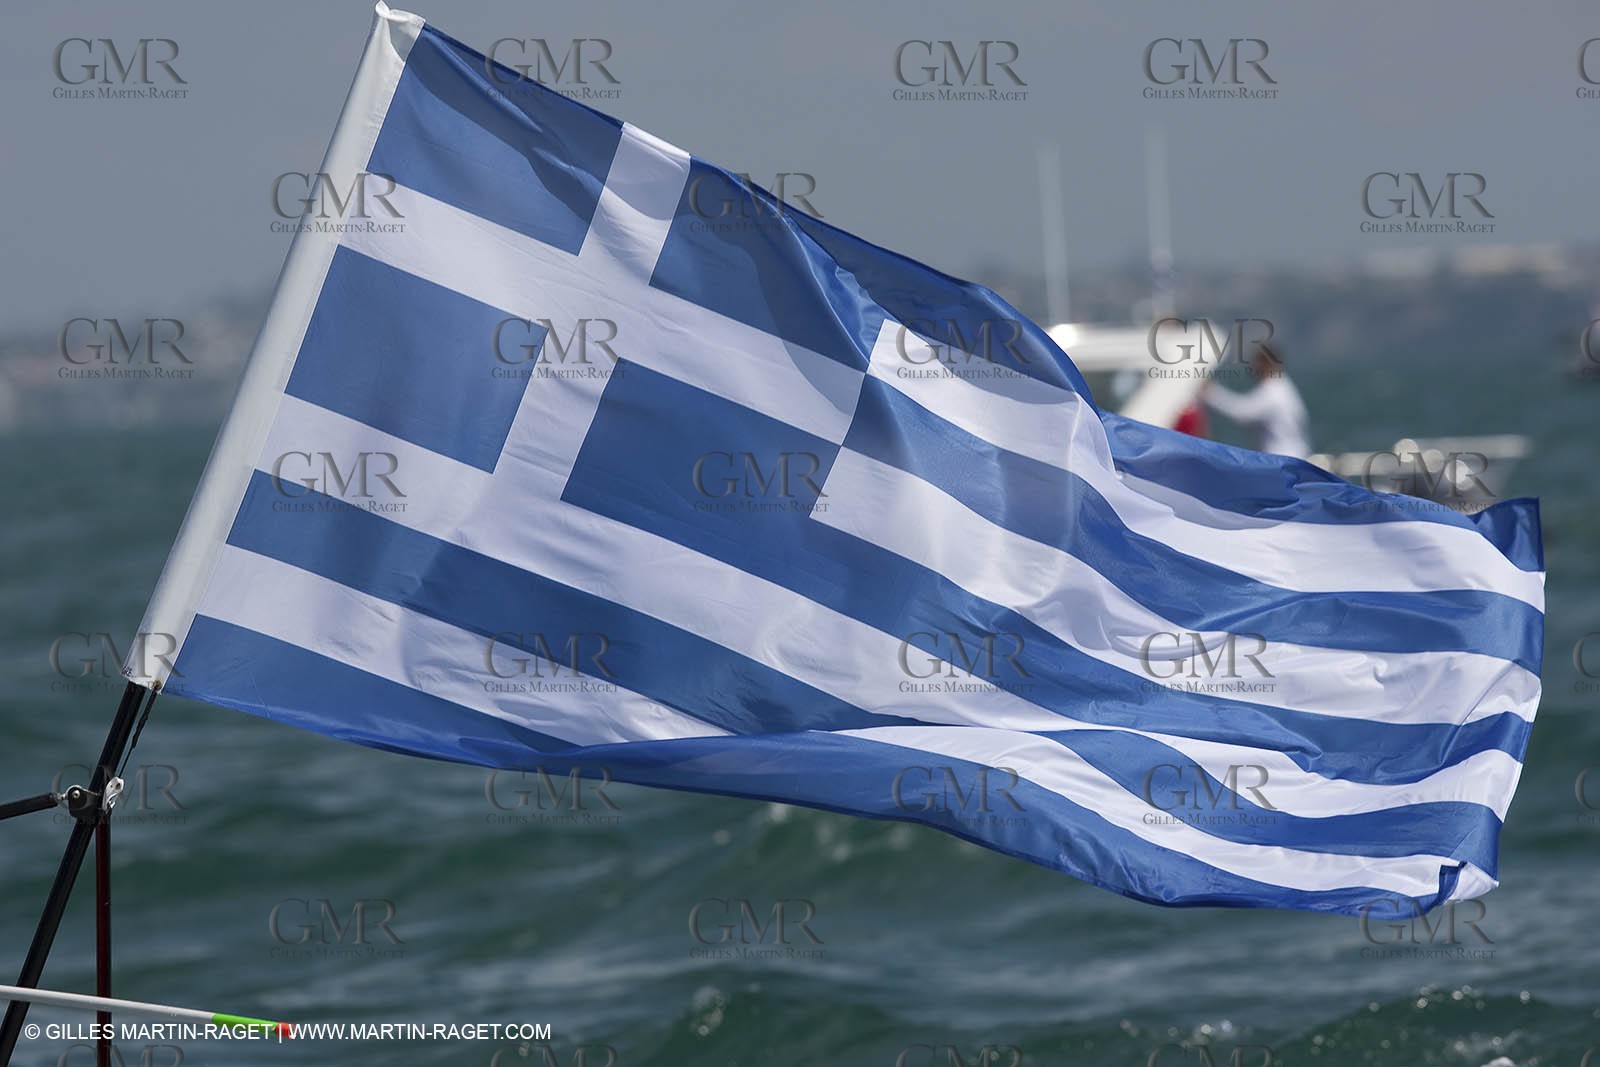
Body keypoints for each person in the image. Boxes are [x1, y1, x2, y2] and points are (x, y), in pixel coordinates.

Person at [1200, 345, 1310, 459]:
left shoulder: (1273, 391)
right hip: (1291, 457)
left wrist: (1210, 392)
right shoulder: (1283, 388)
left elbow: (1242, 413)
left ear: (1264, 364)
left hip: (1281, 459)